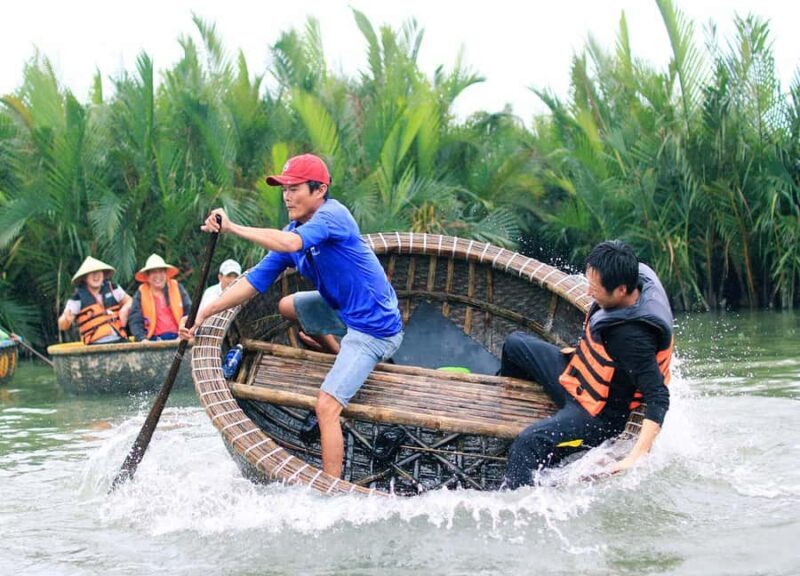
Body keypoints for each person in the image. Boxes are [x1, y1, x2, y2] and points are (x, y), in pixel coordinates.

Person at [180, 153, 404, 478]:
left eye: (294, 188)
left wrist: (232, 227)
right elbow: (254, 281)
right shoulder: (294, 229)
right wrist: (202, 313)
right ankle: (340, 355)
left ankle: (331, 491)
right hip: (343, 311)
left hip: (375, 329)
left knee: (325, 406)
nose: (286, 196)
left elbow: (290, 242)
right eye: (284, 189)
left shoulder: (333, 216)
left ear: (319, 190)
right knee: (286, 306)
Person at [501, 240, 673, 489]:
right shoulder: (635, 281)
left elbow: (658, 397)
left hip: (595, 414)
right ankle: (508, 410)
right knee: (514, 344)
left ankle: (515, 501)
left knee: (527, 442)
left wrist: (635, 456)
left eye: (595, 288)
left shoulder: (631, 337)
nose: (589, 292)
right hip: (576, 375)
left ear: (621, 290)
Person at [57, 256, 131, 345]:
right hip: (94, 344)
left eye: (98, 272)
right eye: (91, 273)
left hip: (119, 339)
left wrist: (125, 309)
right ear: (85, 278)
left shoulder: (113, 288)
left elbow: (130, 301)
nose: (96, 276)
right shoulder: (77, 298)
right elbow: (62, 326)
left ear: (103, 274)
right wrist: (65, 319)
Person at [128, 254, 191, 341]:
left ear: (166, 274)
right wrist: (142, 339)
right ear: (148, 276)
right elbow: (135, 320)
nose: (158, 275)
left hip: (179, 337)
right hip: (153, 340)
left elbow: (189, 312)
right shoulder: (141, 293)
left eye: (161, 271)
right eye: (153, 272)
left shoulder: (177, 287)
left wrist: (184, 334)